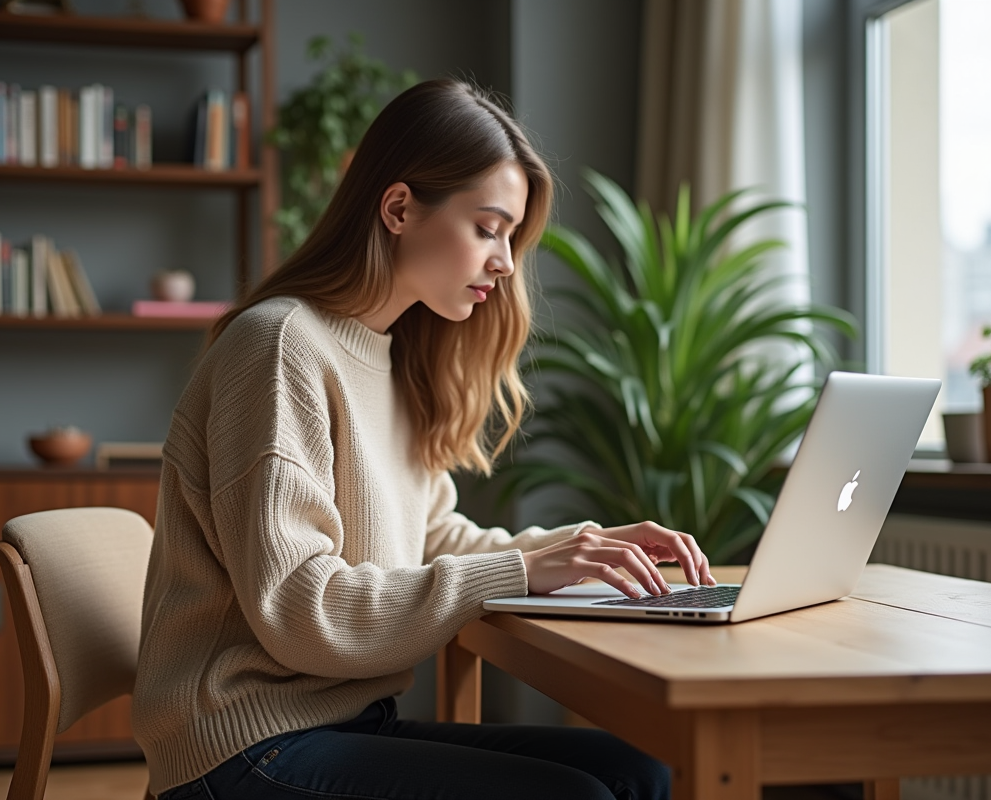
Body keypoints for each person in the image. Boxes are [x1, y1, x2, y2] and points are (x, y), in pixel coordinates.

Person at [133, 77, 716, 800]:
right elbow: (299, 609)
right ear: (400, 208)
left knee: (639, 771)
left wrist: (580, 552)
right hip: (243, 745)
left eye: (510, 236)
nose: (505, 263)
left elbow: (436, 538)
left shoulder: (390, 354)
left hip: (343, 721)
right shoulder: (281, 347)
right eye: (488, 227)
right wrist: (521, 573)